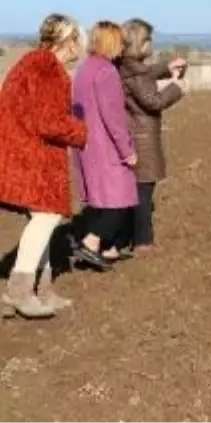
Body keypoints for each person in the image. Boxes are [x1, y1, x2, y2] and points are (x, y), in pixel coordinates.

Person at [0, 14, 88, 318]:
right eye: (79, 39)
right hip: (31, 155)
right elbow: (47, 120)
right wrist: (81, 132)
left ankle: (43, 289)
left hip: (25, 150)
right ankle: (19, 291)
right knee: (48, 216)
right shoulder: (46, 67)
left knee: (43, 217)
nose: (81, 47)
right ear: (70, 40)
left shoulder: (35, 62)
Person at [72, 21, 139, 271]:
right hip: (106, 147)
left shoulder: (84, 69)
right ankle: (90, 243)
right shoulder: (107, 73)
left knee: (101, 200)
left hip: (86, 145)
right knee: (119, 201)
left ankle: (109, 249)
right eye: (120, 42)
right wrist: (127, 151)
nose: (123, 47)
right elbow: (114, 118)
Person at [117, 18, 188, 253]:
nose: (152, 45)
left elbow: (146, 74)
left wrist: (167, 66)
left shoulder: (126, 66)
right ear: (140, 44)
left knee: (137, 191)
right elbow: (152, 100)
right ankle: (142, 242)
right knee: (143, 193)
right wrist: (176, 88)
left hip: (135, 135)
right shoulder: (135, 74)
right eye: (149, 40)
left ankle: (128, 238)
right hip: (143, 138)